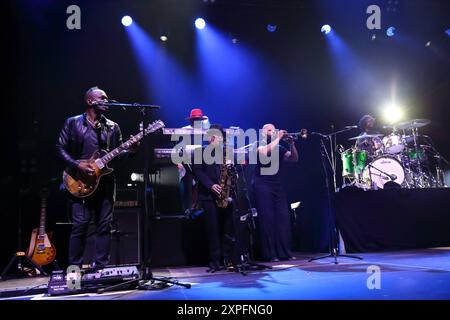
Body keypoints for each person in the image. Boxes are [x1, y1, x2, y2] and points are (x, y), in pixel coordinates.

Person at [56, 86, 138, 270]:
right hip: (77, 181)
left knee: (104, 226)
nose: (107, 101)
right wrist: (78, 165)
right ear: (90, 101)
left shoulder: (112, 127)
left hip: (105, 183)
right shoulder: (72, 123)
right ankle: (74, 271)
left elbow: (118, 156)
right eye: (103, 98)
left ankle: (100, 268)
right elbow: (59, 148)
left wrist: (132, 150)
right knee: (80, 226)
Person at [192, 124, 238, 272]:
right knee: (213, 230)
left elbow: (231, 174)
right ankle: (215, 261)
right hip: (208, 196)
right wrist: (211, 185)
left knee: (227, 228)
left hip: (225, 195)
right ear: (212, 136)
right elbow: (197, 172)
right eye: (219, 136)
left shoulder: (226, 153)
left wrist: (232, 168)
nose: (222, 139)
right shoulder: (201, 151)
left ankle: (227, 258)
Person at [253, 124, 298, 262]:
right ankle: (270, 254)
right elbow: (264, 153)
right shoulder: (258, 144)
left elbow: (293, 159)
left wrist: (291, 145)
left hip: (276, 185)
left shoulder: (279, 147)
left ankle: (285, 252)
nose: (273, 131)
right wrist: (278, 138)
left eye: (274, 129)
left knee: (283, 217)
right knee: (267, 218)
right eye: (269, 129)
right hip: (262, 184)